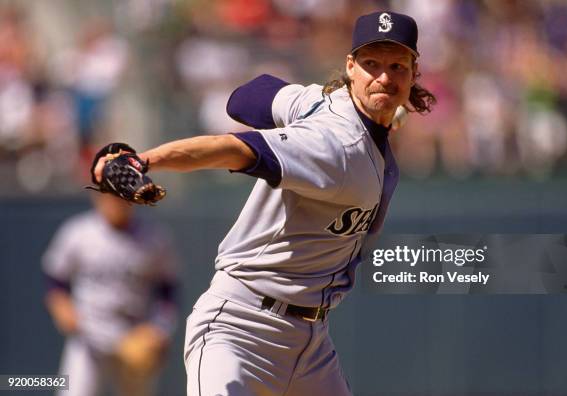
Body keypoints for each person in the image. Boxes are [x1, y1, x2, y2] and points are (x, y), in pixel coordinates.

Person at [93, 10, 435, 396]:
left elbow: (246, 98)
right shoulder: (337, 147)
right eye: (372, 64)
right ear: (350, 66)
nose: (385, 77)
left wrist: (322, 106)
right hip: (239, 327)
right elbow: (233, 146)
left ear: (414, 72)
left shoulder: (319, 102)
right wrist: (145, 160)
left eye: (397, 66)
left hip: (311, 345)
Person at [42, 193, 179, 396]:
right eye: (110, 196)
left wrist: (159, 328)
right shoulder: (78, 232)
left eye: (122, 197)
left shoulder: (154, 236)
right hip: (89, 335)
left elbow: (168, 288)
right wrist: (62, 307)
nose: (115, 202)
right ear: (97, 197)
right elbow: (55, 279)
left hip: (133, 337)